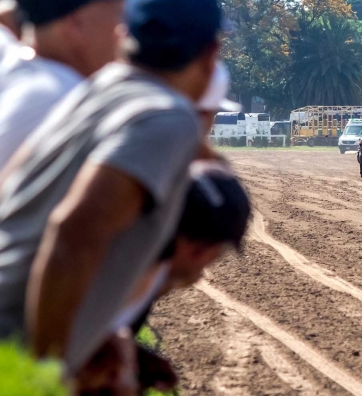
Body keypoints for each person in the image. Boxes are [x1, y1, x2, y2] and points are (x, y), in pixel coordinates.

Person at [0, 0, 221, 378]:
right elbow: (74, 231)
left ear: (124, 35)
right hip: (15, 350)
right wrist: (45, 373)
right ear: (211, 53)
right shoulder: (166, 115)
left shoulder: (100, 88)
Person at [79, 160, 251, 394]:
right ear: (201, 250)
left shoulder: (138, 260)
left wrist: (137, 354)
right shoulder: (123, 275)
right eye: (220, 251)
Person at [0, 0, 126, 170]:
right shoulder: (67, 103)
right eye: (117, 13)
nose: (123, 30)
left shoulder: (11, 59)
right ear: (76, 26)